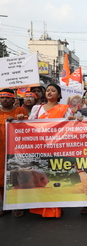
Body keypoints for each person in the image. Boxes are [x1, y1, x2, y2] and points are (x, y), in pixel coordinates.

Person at [28, 83, 72, 218]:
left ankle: (56, 207)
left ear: (59, 95)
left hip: (57, 148)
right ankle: (40, 207)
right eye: (48, 90)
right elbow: (28, 125)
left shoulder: (65, 109)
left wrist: (73, 120)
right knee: (41, 177)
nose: (50, 92)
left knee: (55, 177)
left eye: (53, 91)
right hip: (40, 148)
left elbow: (71, 126)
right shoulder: (37, 108)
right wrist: (18, 121)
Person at [0, 89, 28, 218]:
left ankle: (18, 206)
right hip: (1, 151)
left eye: (7, 97)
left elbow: (29, 128)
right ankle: (6, 205)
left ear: (13, 99)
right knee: (1, 180)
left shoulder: (20, 111)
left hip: (16, 151)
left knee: (17, 177)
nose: (4, 100)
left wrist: (19, 120)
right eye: (1, 97)